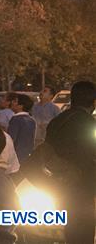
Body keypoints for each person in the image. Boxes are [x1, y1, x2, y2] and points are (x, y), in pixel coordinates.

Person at [41, 80, 95, 244]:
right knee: (82, 234)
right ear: (93, 102)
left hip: (57, 185)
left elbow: (46, 150)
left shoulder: (57, 122)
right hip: (84, 189)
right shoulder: (91, 125)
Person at [6, 93, 35, 161]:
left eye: (15, 101)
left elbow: (11, 139)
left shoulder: (15, 119)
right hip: (27, 155)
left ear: (21, 106)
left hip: (16, 156)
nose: (12, 102)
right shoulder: (31, 120)